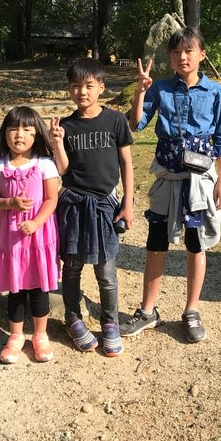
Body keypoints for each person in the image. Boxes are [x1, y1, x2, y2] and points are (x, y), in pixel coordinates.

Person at [121, 27, 221, 343]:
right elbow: (136, 125)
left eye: (188, 51)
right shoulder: (161, 89)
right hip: (167, 182)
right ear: (169, 57)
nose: (182, 57)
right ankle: (147, 311)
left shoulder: (215, 92)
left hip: (198, 184)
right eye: (175, 52)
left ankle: (192, 311)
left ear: (201, 54)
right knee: (156, 241)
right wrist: (141, 91)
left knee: (195, 242)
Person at [50, 58, 134, 357]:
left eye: (88, 86)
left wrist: (128, 203)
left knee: (106, 271)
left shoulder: (115, 121)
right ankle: (72, 317)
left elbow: (126, 163)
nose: (81, 92)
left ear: (101, 87)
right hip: (73, 205)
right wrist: (57, 142)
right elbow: (62, 169)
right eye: (75, 86)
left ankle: (109, 322)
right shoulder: (66, 126)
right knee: (71, 267)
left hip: (105, 206)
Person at [0, 106, 60, 364]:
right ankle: (15, 335)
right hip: (10, 239)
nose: (19, 135)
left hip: (38, 237)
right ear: (4, 133)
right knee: (15, 288)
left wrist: (37, 222)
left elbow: (51, 199)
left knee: (38, 288)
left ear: (37, 135)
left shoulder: (44, 164)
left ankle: (40, 335)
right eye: (13, 129)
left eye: (27, 130)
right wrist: (9, 204)